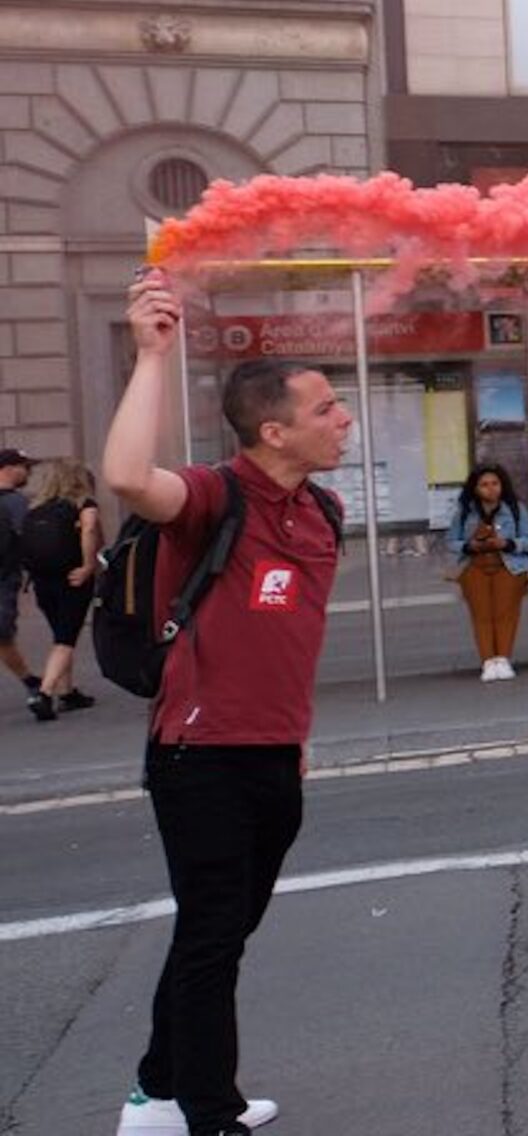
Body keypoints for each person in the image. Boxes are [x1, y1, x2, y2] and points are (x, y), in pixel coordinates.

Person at [103, 272, 354, 1136]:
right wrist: (151, 352)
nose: (343, 417)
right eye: (325, 408)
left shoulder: (323, 509)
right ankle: (207, 1114)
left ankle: (154, 1091)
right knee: (212, 934)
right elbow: (128, 474)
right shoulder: (216, 497)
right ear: (273, 429)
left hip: (275, 754)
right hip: (197, 756)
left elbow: (279, 645)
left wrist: (292, 742)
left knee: (222, 932)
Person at [20, 457, 105, 715]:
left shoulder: (36, 509)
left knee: (61, 635)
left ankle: (67, 692)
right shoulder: (84, 504)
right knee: (66, 638)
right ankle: (44, 694)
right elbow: (90, 530)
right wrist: (89, 566)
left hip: (43, 581)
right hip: (73, 578)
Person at [445, 463, 528, 682]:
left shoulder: (515, 509)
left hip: (509, 565)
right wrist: (470, 545)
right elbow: (451, 541)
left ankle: (503, 658)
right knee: (482, 615)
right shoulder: (465, 512)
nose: (490, 489)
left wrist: (507, 542)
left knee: (506, 613)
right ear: (475, 488)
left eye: (495, 483)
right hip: (475, 566)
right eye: (484, 485)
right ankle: (488, 660)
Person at [0, 446, 41, 718]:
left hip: (4, 578)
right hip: (4, 579)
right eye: (25, 467)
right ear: (9, 468)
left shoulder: (15, 501)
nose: (28, 472)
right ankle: (30, 682)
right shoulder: (16, 502)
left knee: (2, 635)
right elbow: (32, 540)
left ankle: (30, 681)